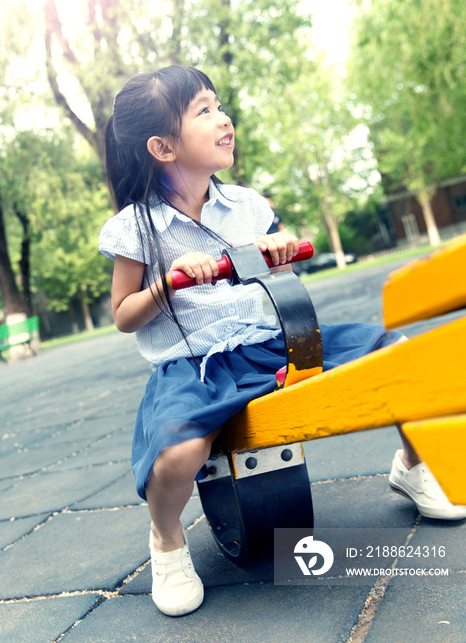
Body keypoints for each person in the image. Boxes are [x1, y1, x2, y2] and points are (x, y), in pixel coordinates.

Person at [99, 66, 466, 618]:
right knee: (176, 456)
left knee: (398, 355)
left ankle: (411, 467)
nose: (223, 119)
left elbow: (283, 259)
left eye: (219, 106)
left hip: (271, 340)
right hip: (198, 366)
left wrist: (282, 251)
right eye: (203, 111)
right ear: (162, 146)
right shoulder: (136, 228)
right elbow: (125, 315)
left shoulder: (246, 205)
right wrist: (168, 281)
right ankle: (167, 539)